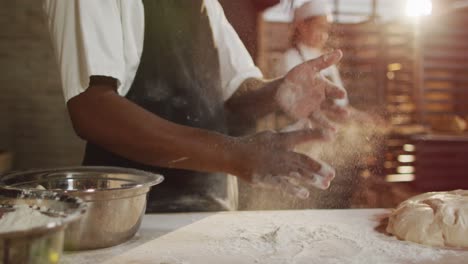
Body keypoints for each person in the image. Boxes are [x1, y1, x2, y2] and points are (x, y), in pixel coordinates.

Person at [42, 0, 348, 212]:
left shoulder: (206, 5)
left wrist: (279, 92)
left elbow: (238, 90)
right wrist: (234, 154)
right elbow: (92, 109)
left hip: (210, 209)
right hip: (131, 217)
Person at [280, 0, 348, 107]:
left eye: (326, 30)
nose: (323, 35)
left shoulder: (328, 60)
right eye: (320, 27)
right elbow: (290, 104)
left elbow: (342, 100)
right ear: (302, 26)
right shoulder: (289, 59)